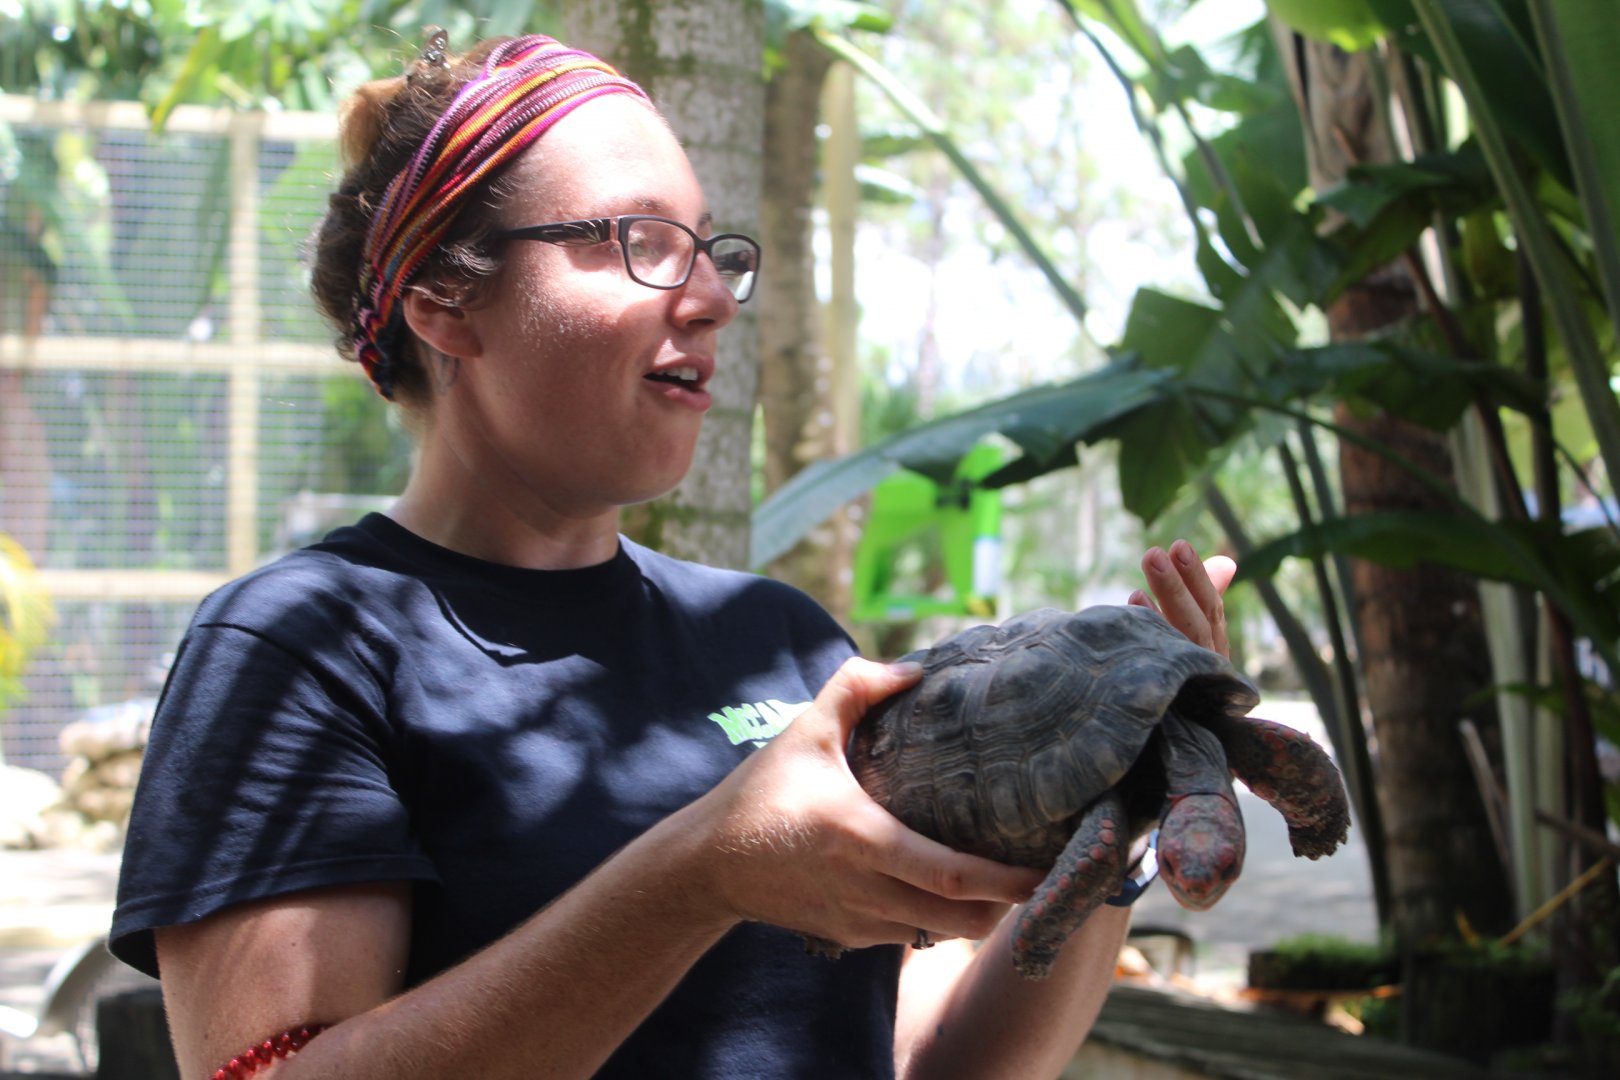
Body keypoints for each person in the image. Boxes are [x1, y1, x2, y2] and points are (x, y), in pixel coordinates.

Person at [110, 31, 1236, 1080]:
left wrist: (1125, 779)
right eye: (637, 242)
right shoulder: (303, 648)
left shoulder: (781, 643)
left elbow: (944, 1056)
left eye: (711, 250)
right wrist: (696, 876)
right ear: (442, 303)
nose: (705, 299)